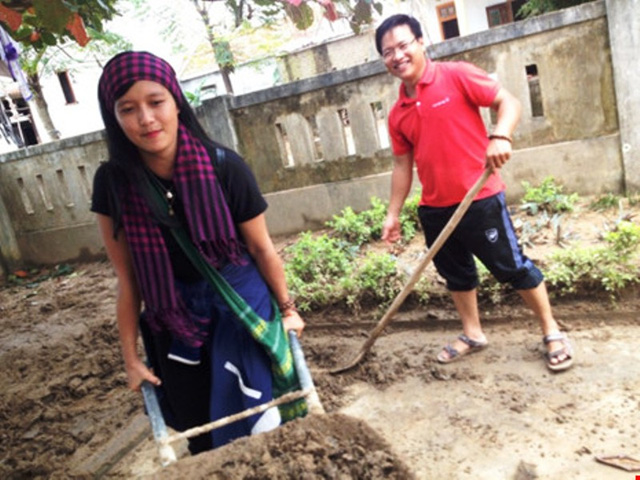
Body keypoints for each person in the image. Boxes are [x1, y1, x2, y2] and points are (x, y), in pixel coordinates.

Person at [91, 51, 307, 454]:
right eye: (128, 109)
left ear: (175, 100)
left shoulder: (225, 167)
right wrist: (131, 359)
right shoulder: (113, 185)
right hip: (174, 321)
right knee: (200, 429)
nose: (147, 119)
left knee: (262, 415)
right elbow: (129, 279)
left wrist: (288, 309)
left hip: (239, 308)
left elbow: (261, 249)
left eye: (156, 102)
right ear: (114, 117)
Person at [376, 15, 574, 372]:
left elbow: (508, 102)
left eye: (403, 45)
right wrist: (392, 213)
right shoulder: (397, 114)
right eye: (388, 52)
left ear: (421, 42)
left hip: (479, 199)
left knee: (512, 267)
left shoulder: (457, 75)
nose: (397, 55)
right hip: (435, 208)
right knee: (457, 275)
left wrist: (500, 135)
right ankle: (473, 333)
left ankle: (552, 331)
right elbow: (402, 166)